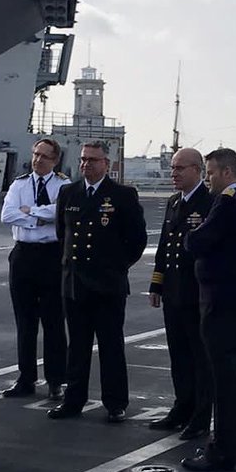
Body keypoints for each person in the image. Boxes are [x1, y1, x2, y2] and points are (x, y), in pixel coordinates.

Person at [48, 141, 147, 423]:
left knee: (110, 345)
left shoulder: (122, 195)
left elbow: (137, 239)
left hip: (107, 284)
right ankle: (73, 400)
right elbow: (62, 233)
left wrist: (116, 266)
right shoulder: (69, 193)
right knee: (77, 346)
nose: (86, 164)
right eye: (83, 159)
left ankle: (115, 402)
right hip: (75, 283)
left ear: (107, 163)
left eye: (92, 160)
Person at [180, 147, 236, 472]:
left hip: (222, 297)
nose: (208, 179)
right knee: (234, 373)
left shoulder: (227, 202)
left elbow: (198, 241)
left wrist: (190, 236)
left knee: (223, 377)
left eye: (211, 172)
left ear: (227, 172)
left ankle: (223, 449)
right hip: (235, 295)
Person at [147, 147, 213, 440]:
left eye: (179, 168)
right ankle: (182, 407)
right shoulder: (175, 202)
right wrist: (157, 283)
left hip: (196, 291)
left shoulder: (209, 202)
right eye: (172, 168)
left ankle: (200, 415)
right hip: (174, 290)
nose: (173, 173)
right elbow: (165, 245)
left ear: (197, 170)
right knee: (178, 354)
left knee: (200, 357)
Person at [0, 137, 70, 400]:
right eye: (36, 154)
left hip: (52, 255)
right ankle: (26, 378)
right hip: (23, 254)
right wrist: (38, 219)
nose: (38, 160)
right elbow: (7, 215)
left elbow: (61, 212)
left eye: (44, 156)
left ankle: (56, 380)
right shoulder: (19, 184)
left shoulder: (63, 185)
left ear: (55, 160)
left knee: (54, 321)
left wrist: (31, 211)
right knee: (25, 322)